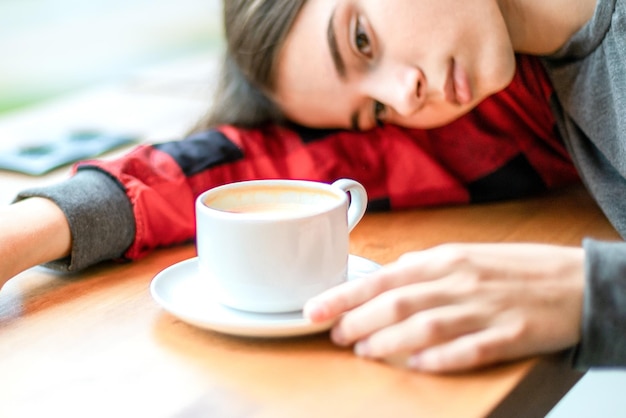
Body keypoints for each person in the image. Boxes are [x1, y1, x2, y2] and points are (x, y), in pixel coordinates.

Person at [1, 0, 623, 373]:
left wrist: (588, 294)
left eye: (360, 39)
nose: (400, 98)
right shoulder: (520, 99)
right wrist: (24, 234)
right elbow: (265, 164)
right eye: (373, 111)